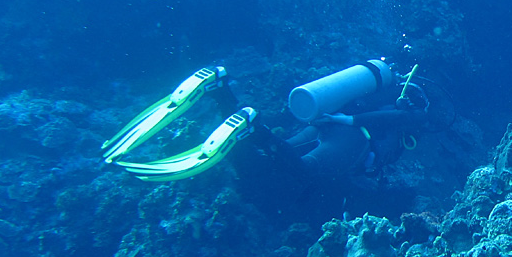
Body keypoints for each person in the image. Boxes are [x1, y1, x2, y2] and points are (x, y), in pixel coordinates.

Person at [101, 59, 431, 186]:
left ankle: (221, 90)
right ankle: (250, 125)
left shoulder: (376, 88)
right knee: (305, 169)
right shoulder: (409, 104)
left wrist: (341, 116)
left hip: (327, 121)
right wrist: (350, 119)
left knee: (278, 150)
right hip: (352, 134)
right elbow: (399, 118)